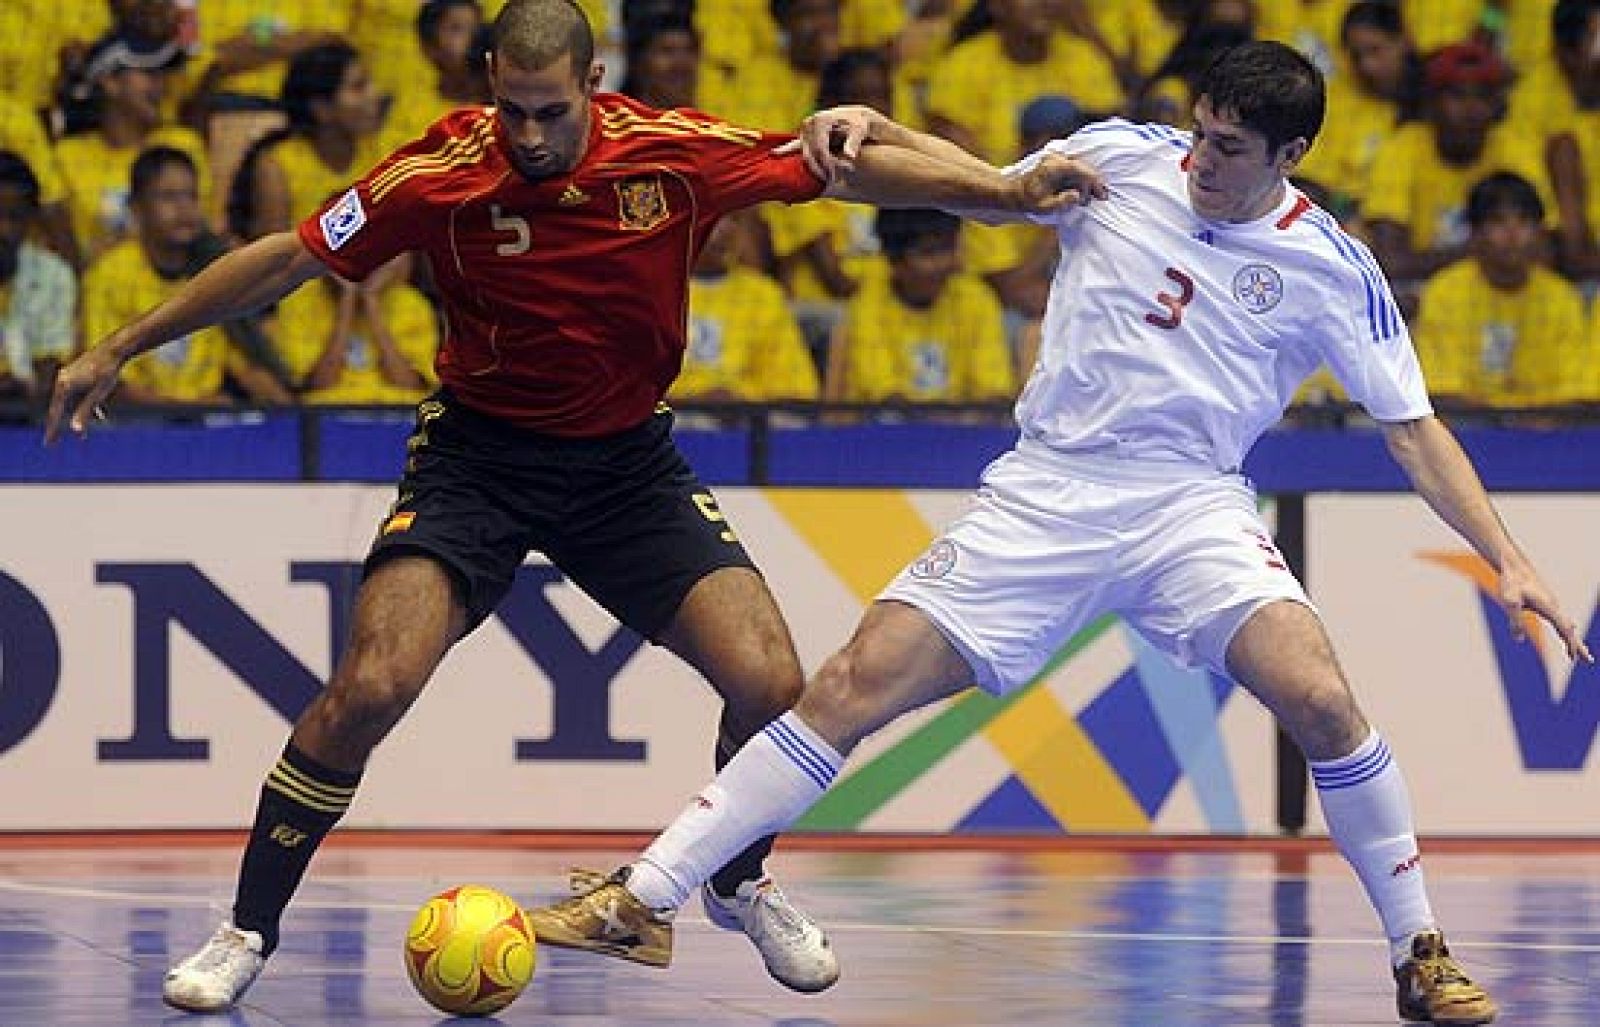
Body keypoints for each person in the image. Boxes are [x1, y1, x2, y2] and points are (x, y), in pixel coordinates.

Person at [44, 0, 1097, 1013]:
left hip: (625, 468)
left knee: (775, 683)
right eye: (513, 110)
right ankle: (245, 932)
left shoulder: (669, 151)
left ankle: (737, 878)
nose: (532, 134)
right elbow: (284, 262)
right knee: (371, 683)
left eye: (553, 110)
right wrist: (119, 345)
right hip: (475, 463)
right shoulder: (437, 175)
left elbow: (842, 163)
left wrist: (1004, 193)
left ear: (595, 84)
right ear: (488, 88)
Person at [525, 41, 1595, 1025]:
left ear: (1292, 154)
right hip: (1048, 492)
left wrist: (1506, 554)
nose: (1200, 159)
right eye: (1199, 129)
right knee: (852, 681)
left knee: (1320, 696)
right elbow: (992, 193)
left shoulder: (1329, 265)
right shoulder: (1123, 157)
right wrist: (873, 132)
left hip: (1191, 505)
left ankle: (1419, 953)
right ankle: (645, 895)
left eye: (1229, 148)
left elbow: (1413, 432)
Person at [82, 146, 291, 408]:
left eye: (192, 196)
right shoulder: (110, 272)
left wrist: (292, 410)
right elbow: (107, 381)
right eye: (169, 197)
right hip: (134, 424)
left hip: (207, 420)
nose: (184, 209)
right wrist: (184, 409)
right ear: (137, 207)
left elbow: (245, 366)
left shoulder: (214, 268)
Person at [1412, 171, 1596, 416]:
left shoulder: (1562, 298)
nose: (1512, 234)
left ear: (1540, 233)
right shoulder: (1444, 293)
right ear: (1475, 234)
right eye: (1498, 222)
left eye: (1523, 222)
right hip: (1469, 431)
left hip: (1546, 433)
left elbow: (1578, 395)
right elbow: (1440, 393)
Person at [0, 152, 75, 403]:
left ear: (31, 219)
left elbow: (51, 372)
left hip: (27, 419)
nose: (4, 230)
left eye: (14, 217)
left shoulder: (55, 276)